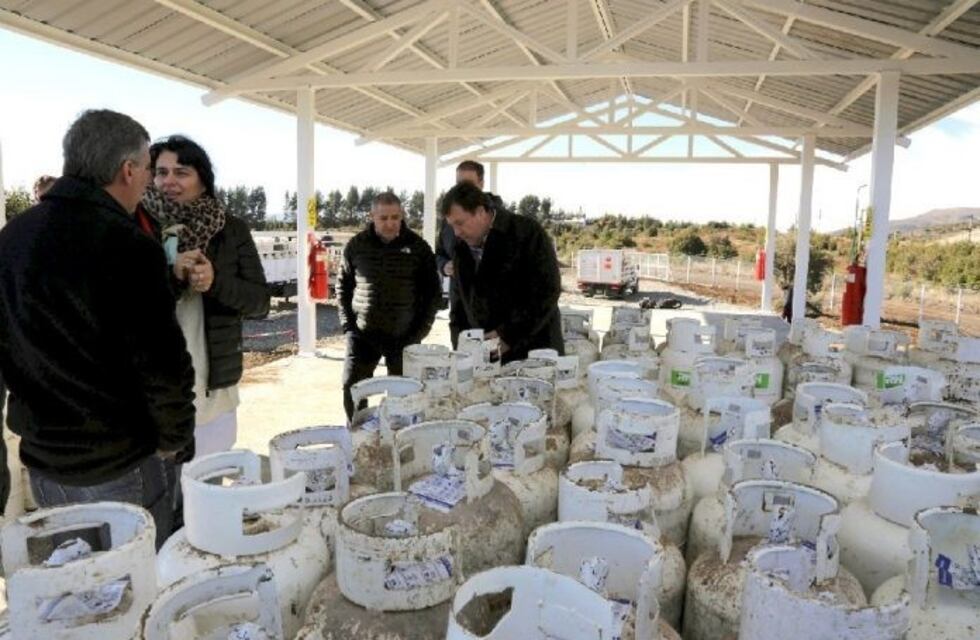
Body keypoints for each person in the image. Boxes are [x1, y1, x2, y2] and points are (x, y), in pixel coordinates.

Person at [0, 110, 195, 547]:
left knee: (78, 576)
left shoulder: (11, 240)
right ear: (128, 170)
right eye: (148, 169)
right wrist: (176, 437)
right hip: (122, 462)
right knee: (137, 576)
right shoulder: (129, 245)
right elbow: (162, 363)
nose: (149, 181)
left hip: (46, 465)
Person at [144, 135, 269, 458]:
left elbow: (259, 303)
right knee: (160, 484)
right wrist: (171, 275)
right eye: (161, 172)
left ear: (203, 179)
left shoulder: (231, 229)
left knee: (209, 477)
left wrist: (215, 282)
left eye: (181, 172)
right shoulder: (137, 225)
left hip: (213, 390)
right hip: (152, 390)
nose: (168, 181)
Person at [339, 192, 440, 420]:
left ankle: (399, 433)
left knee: (404, 397)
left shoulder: (418, 247)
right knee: (351, 389)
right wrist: (348, 326)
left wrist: (420, 331)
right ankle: (358, 433)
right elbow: (343, 287)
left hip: (404, 337)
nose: (390, 223)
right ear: (372, 216)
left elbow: (432, 293)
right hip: (363, 336)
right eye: (383, 218)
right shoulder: (356, 246)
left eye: (395, 217)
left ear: (402, 216)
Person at [441, 181, 564, 363]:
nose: (456, 232)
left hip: (535, 356)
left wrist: (507, 336)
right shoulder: (461, 248)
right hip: (485, 359)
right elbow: (458, 307)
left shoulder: (526, 233)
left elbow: (547, 292)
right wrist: (462, 350)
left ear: (481, 212)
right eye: (452, 226)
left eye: (460, 223)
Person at [436, 161, 506, 329]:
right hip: (460, 309)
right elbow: (439, 253)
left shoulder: (504, 222)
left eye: (468, 184)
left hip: (495, 313)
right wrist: (444, 266)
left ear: (481, 184)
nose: (463, 190)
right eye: (459, 184)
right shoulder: (448, 222)